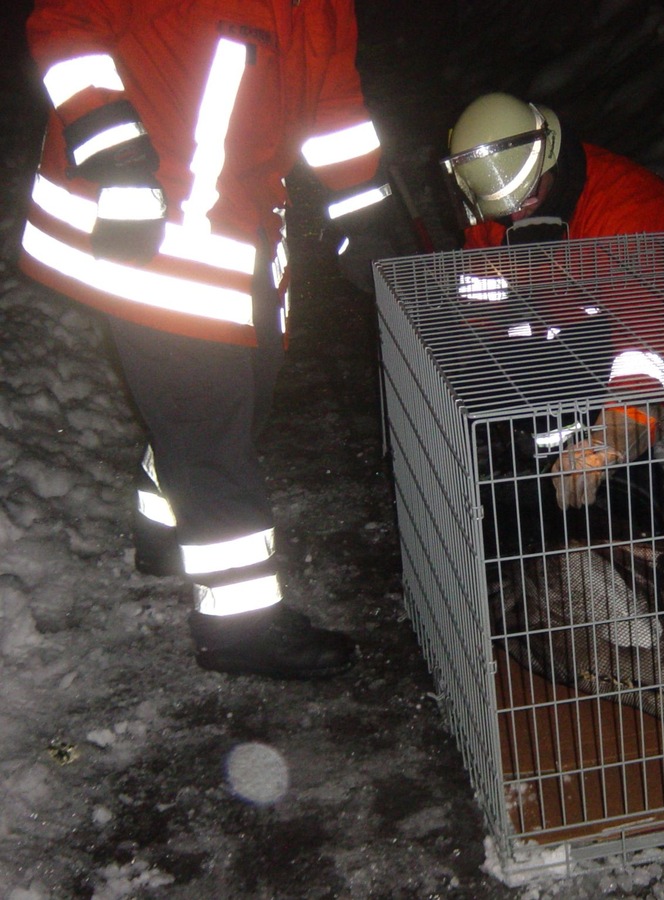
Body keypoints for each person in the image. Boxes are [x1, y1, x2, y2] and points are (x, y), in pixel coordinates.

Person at [20, 0, 398, 677]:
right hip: (145, 226)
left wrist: (363, 209)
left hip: (235, 223)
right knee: (212, 424)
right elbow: (63, 24)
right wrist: (119, 157)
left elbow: (333, 106)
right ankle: (238, 628)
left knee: (245, 395)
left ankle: (169, 526)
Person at [441, 91, 664, 513]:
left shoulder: (629, 210)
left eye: (526, 200)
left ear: (548, 158)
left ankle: (634, 517)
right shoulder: (497, 211)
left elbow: (646, 335)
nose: (514, 217)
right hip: (583, 331)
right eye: (503, 209)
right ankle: (537, 498)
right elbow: (480, 296)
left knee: (608, 449)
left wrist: (613, 437)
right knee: (520, 392)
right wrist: (469, 371)